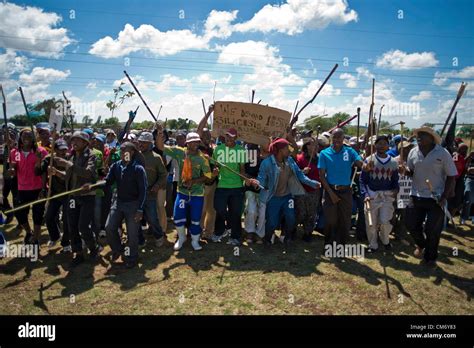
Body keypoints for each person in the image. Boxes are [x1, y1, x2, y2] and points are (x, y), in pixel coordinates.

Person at [402, 126, 457, 268]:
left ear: (432, 137)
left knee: (432, 230)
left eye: (423, 135)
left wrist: (445, 196)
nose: (419, 137)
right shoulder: (413, 152)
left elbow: (452, 175)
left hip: (436, 197)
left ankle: (430, 257)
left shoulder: (443, 153)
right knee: (410, 223)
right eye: (417, 135)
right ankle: (422, 245)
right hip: (416, 194)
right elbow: (411, 171)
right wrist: (404, 171)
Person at [156, 125, 212, 251]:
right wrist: (160, 133)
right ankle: (181, 238)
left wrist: (194, 181)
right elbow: (160, 147)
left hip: (197, 194)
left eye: (197, 141)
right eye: (192, 142)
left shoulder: (202, 158)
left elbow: (208, 176)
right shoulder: (179, 152)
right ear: (187, 143)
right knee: (178, 216)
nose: (195, 144)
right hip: (182, 192)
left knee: (196, 219)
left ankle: (195, 241)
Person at [255, 138, 319, 245]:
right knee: (272, 221)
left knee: (291, 218)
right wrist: (257, 183)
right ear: (280, 150)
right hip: (273, 197)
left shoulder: (289, 161)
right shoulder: (267, 163)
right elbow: (261, 178)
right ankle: (267, 238)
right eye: (286, 148)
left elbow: (300, 175)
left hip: (287, 196)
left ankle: (287, 238)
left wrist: (313, 183)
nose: (289, 151)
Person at [54, 131, 99, 267]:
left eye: (78, 140)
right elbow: (69, 176)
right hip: (73, 197)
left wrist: (67, 164)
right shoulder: (72, 157)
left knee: (83, 226)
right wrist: (57, 172)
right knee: (72, 225)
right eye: (73, 140)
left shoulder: (91, 156)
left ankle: (93, 248)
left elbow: (88, 173)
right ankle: (78, 253)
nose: (74, 142)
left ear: (85, 142)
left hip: (86, 196)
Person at [100, 142, 147, 268]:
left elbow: (143, 191)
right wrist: (94, 185)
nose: (122, 153)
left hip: (133, 204)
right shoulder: (116, 166)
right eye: (121, 150)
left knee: (132, 234)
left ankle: (132, 257)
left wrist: (140, 209)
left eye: (125, 150)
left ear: (132, 152)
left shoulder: (138, 169)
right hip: (118, 202)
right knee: (109, 227)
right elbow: (108, 181)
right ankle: (119, 249)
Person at [318, 128, 364, 250]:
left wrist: (366, 165)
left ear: (343, 138)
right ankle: (328, 244)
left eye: (339, 137)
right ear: (331, 138)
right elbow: (321, 176)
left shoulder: (349, 151)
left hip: (346, 191)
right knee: (330, 220)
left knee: (345, 220)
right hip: (330, 190)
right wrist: (331, 193)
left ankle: (341, 245)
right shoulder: (324, 153)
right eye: (335, 137)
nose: (337, 140)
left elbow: (360, 164)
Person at [360, 135, 399, 253]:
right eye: (379, 143)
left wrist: (396, 190)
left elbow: (395, 180)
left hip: (387, 196)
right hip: (372, 195)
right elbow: (362, 180)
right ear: (375, 145)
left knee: (384, 221)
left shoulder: (393, 162)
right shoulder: (369, 160)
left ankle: (385, 241)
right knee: (371, 222)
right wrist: (365, 194)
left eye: (384, 143)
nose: (382, 146)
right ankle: (373, 244)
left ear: (388, 146)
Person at [9, 129, 48, 246]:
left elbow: (43, 172)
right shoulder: (15, 152)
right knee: (20, 214)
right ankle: (28, 232)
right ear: (20, 137)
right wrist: (11, 170)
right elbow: (13, 168)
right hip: (22, 188)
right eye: (24, 135)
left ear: (34, 137)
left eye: (30, 135)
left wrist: (43, 188)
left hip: (37, 188)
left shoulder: (41, 151)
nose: (26, 137)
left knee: (37, 214)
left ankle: (35, 238)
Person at [211, 128, 247, 246]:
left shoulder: (241, 150)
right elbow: (215, 167)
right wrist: (215, 171)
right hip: (222, 185)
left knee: (236, 212)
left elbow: (242, 170)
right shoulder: (218, 149)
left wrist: (246, 181)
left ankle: (235, 236)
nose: (229, 139)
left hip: (237, 187)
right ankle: (220, 231)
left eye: (232, 136)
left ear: (236, 138)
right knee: (219, 209)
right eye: (227, 136)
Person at [137, 131, 168, 247]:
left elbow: (163, 175)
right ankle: (139, 239)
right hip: (136, 193)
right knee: (135, 219)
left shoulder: (156, 158)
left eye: (144, 143)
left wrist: (157, 185)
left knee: (152, 217)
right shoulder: (135, 156)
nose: (141, 144)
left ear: (150, 144)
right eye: (140, 142)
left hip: (150, 193)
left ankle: (159, 235)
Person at [41, 139, 71, 252]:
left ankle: (66, 242)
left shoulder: (69, 159)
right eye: (60, 150)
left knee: (66, 219)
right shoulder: (49, 159)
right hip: (54, 193)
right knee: (49, 217)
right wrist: (41, 161)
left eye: (65, 149)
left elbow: (67, 176)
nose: (63, 152)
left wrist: (56, 172)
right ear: (55, 150)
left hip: (68, 193)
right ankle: (55, 236)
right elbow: (40, 170)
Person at [294, 136, 321, 242]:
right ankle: (293, 229)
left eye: (316, 144)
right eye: (313, 144)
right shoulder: (299, 158)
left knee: (312, 212)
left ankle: (308, 232)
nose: (316, 146)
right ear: (307, 146)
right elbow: (294, 173)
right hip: (301, 189)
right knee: (301, 212)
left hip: (315, 189)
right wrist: (302, 171)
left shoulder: (319, 158)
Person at [461, 150, 474, 225]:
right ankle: (464, 217)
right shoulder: (471, 157)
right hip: (470, 179)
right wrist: (469, 156)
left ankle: (472, 216)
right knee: (468, 199)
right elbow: (467, 169)